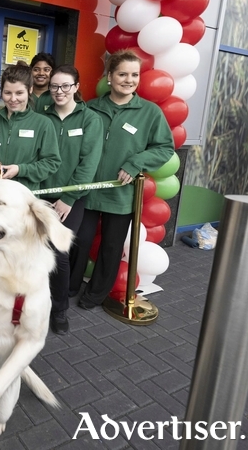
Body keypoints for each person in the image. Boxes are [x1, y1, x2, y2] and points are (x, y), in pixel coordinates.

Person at [70, 50, 174, 310]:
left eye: (134, 75)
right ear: (109, 76)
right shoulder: (91, 107)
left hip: (121, 194)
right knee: (79, 240)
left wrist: (135, 162)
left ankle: (94, 295)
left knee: (111, 247)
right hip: (88, 191)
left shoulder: (149, 113)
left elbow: (164, 148)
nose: (129, 80)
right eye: (122, 74)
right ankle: (69, 286)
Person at [41, 65, 103, 334]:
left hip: (71, 199)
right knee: (35, 249)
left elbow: (89, 164)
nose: (59, 91)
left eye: (66, 86)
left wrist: (68, 197)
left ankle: (59, 309)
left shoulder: (90, 120)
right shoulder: (40, 115)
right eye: (55, 86)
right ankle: (36, 305)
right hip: (40, 195)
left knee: (59, 253)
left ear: (76, 87)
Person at [0, 64, 60, 193]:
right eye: (7, 93)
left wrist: (21, 170)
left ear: (30, 90)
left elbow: (51, 163)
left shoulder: (43, 124)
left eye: (19, 93)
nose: (13, 99)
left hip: (22, 197)